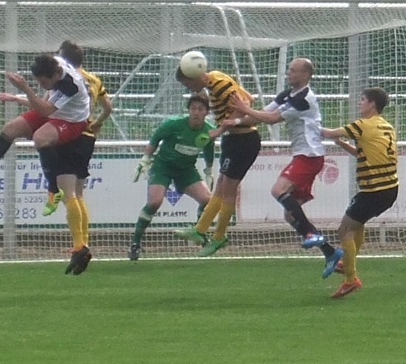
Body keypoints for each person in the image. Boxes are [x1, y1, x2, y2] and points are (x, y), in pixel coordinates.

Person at [0, 54, 92, 270]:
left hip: (72, 122)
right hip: (57, 116)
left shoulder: (69, 84)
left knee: (42, 140)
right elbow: (45, 103)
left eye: (44, 82)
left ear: (56, 74)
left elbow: (45, 109)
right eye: (38, 82)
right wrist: (20, 96)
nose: (41, 85)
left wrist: (24, 88)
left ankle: (54, 194)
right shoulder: (56, 63)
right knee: (10, 129)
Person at [226, 57, 342, 277]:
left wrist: (244, 108)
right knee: (290, 216)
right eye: (289, 69)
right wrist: (236, 122)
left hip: (309, 155)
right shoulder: (287, 95)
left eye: (293, 70)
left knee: (278, 190)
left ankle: (311, 235)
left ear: (305, 75)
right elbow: (261, 115)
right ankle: (330, 252)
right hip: (305, 156)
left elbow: (271, 119)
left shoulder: (304, 99)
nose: (289, 73)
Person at [172, 58, 261, 257]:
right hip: (234, 139)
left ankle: (219, 236)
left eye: (188, 83)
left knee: (228, 191)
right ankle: (200, 229)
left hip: (244, 140)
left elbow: (246, 104)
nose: (189, 89)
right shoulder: (215, 81)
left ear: (194, 77)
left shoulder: (218, 83)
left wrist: (219, 129)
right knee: (220, 188)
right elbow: (248, 97)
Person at [319, 87, 399, 299]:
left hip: (375, 189)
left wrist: (306, 123)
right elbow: (363, 153)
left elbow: (328, 133)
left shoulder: (364, 125)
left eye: (362, 99)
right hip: (389, 188)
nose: (359, 103)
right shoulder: (386, 126)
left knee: (344, 229)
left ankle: (350, 278)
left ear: (372, 104)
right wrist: (342, 144)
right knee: (357, 224)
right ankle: (348, 263)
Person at [129, 94, 216, 260]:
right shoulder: (174, 124)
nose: (196, 112)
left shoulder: (209, 130)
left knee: (207, 200)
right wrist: (145, 160)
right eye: (193, 108)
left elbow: (208, 150)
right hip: (163, 167)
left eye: (200, 109)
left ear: (206, 112)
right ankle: (135, 243)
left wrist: (209, 171)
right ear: (188, 110)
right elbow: (155, 139)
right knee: (154, 202)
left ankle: (200, 234)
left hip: (186, 170)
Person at [53, 41, 114, 275]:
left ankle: (79, 245)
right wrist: (97, 123)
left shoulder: (65, 78)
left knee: (67, 194)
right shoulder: (94, 80)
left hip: (69, 133)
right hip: (88, 136)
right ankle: (84, 242)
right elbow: (108, 107)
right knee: (78, 193)